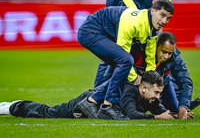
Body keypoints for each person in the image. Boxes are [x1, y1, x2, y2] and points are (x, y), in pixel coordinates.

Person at [77, 0, 174, 120]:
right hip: (90, 31)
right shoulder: (132, 22)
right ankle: (107, 107)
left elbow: (150, 54)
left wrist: (149, 77)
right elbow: (124, 55)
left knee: (124, 68)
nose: (164, 21)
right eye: (162, 15)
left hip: (103, 33)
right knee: (126, 61)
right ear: (153, 11)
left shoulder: (152, 27)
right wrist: (134, 77)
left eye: (168, 18)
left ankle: (91, 102)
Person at [0, 71, 194, 120]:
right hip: (85, 103)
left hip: (94, 107)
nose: (159, 97)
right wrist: (155, 116)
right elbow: (130, 114)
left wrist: (176, 114)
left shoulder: (148, 97)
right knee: (51, 113)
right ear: (143, 88)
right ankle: (13, 106)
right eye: (157, 92)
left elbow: (161, 109)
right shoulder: (128, 91)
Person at [104, 32, 200, 119]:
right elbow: (115, 68)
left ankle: (183, 103)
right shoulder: (140, 48)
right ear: (156, 46)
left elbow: (185, 80)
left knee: (174, 111)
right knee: (131, 108)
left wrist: (183, 106)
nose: (166, 56)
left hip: (161, 84)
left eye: (169, 53)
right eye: (164, 52)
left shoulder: (175, 56)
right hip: (135, 85)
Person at [94, 0, 173, 88]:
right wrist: (138, 17)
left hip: (145, 14)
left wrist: (161, 12)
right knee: (113, 55)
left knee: (145, 54)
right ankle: (97, 94)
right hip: (121, 12)